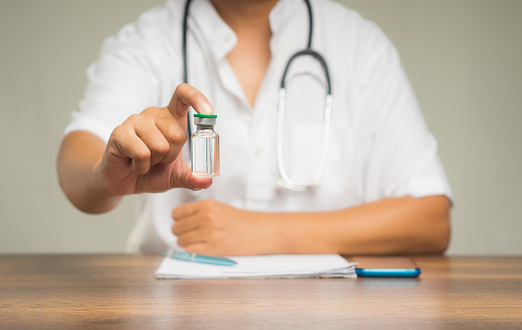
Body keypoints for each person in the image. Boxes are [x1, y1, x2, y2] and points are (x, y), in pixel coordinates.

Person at [57, 0, 452, 256]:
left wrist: (270, 233)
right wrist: (105, 175)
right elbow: (79, 157)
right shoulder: (147, 42)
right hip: (176, 309)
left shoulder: (360, 45)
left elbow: (430, 220)